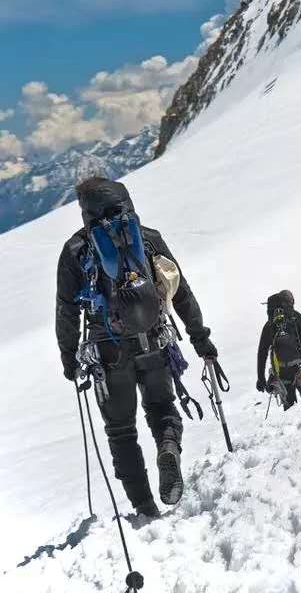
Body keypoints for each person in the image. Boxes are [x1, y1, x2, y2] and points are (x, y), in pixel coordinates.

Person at [56, 177, 217, 519]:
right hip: (155, 339)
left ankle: (144, 507)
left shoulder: (75, 250)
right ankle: (168, 448)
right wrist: (200, 337)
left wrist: (69, 358)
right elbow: (180, 290)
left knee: (121, 430)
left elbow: (66, 309)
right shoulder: (147, 238)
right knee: (161, 406)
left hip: (107, 352)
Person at [256, 290, 301, 410]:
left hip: (281, 373)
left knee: (290, 411)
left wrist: (261, 378)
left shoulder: (270, 325)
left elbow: (262, 352)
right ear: (292, 302)